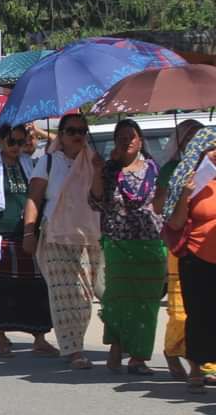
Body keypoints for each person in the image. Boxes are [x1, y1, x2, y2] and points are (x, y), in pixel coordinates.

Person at [24, 113, 103, 370]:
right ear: (62, 135)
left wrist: (99, 171)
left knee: (84, 295)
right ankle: (73, 349)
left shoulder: (93, 161)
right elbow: (34, 198)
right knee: (63, 295)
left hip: (88, 235)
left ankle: (76, 343)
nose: (77, 135)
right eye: (71, 131)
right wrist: (28, 233)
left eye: (81, 131)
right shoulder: (48, 162)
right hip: (56, 235)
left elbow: (99, 197)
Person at [89, 119, 166, 375]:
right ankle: (117, 345)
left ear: (140, 140)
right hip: (118, 242)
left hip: (150, 242)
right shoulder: (109, 170)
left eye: (131, 136)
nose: (127, 141)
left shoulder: (155, 170)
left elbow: (163, 204)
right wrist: (97, 171)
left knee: (146, 303)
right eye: (121, 137)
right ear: (115, 142)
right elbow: (95, 201)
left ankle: (138, 358)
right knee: (117, 299)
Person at [0, 125, 56, 358]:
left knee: (36, 286)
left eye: (21, 142)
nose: (17, 147)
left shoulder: (30, 164)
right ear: (1, 140)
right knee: (0, 287)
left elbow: (57, 145)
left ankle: (39, 338)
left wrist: (40, 131)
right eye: (12, 142)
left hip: (27, 234)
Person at [163, 126, 216, 393]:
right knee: (198, 314)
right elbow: (175, 222)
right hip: (195, 258)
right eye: (212, 149)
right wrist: (186, 194)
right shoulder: (188, 179)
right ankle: (196, 367)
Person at [154, 119, 204, 378]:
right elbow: (158, 206)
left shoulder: (210, 167)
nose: (194, 143)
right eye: (188, 138)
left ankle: (206, 362)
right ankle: (173, 351)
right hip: (181, 244)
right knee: (181, 308)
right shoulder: (172, 169)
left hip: (209, 243)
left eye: (199, 137)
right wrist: (179, 187)